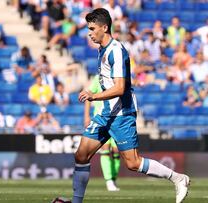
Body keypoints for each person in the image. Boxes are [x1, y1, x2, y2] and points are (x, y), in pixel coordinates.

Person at [71, 8, 190, 203]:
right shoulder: (103, 49)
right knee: (81, 155)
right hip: (105, 113)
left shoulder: (116, 51)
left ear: (104, 27)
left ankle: (178, 178)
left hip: (121, 113)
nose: (89, 33)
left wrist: (94, 96)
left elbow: (120, 88)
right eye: (88, 29)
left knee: (133, 163)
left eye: (92, 29)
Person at [84, 75, 120, 191]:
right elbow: (88, 94)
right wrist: (86, 116)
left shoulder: (118, 77)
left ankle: (113, 179)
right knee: (105, 149)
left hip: (116, 119)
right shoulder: (98, 78)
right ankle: (109, 181)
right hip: (101, 119)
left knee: (116, 151)